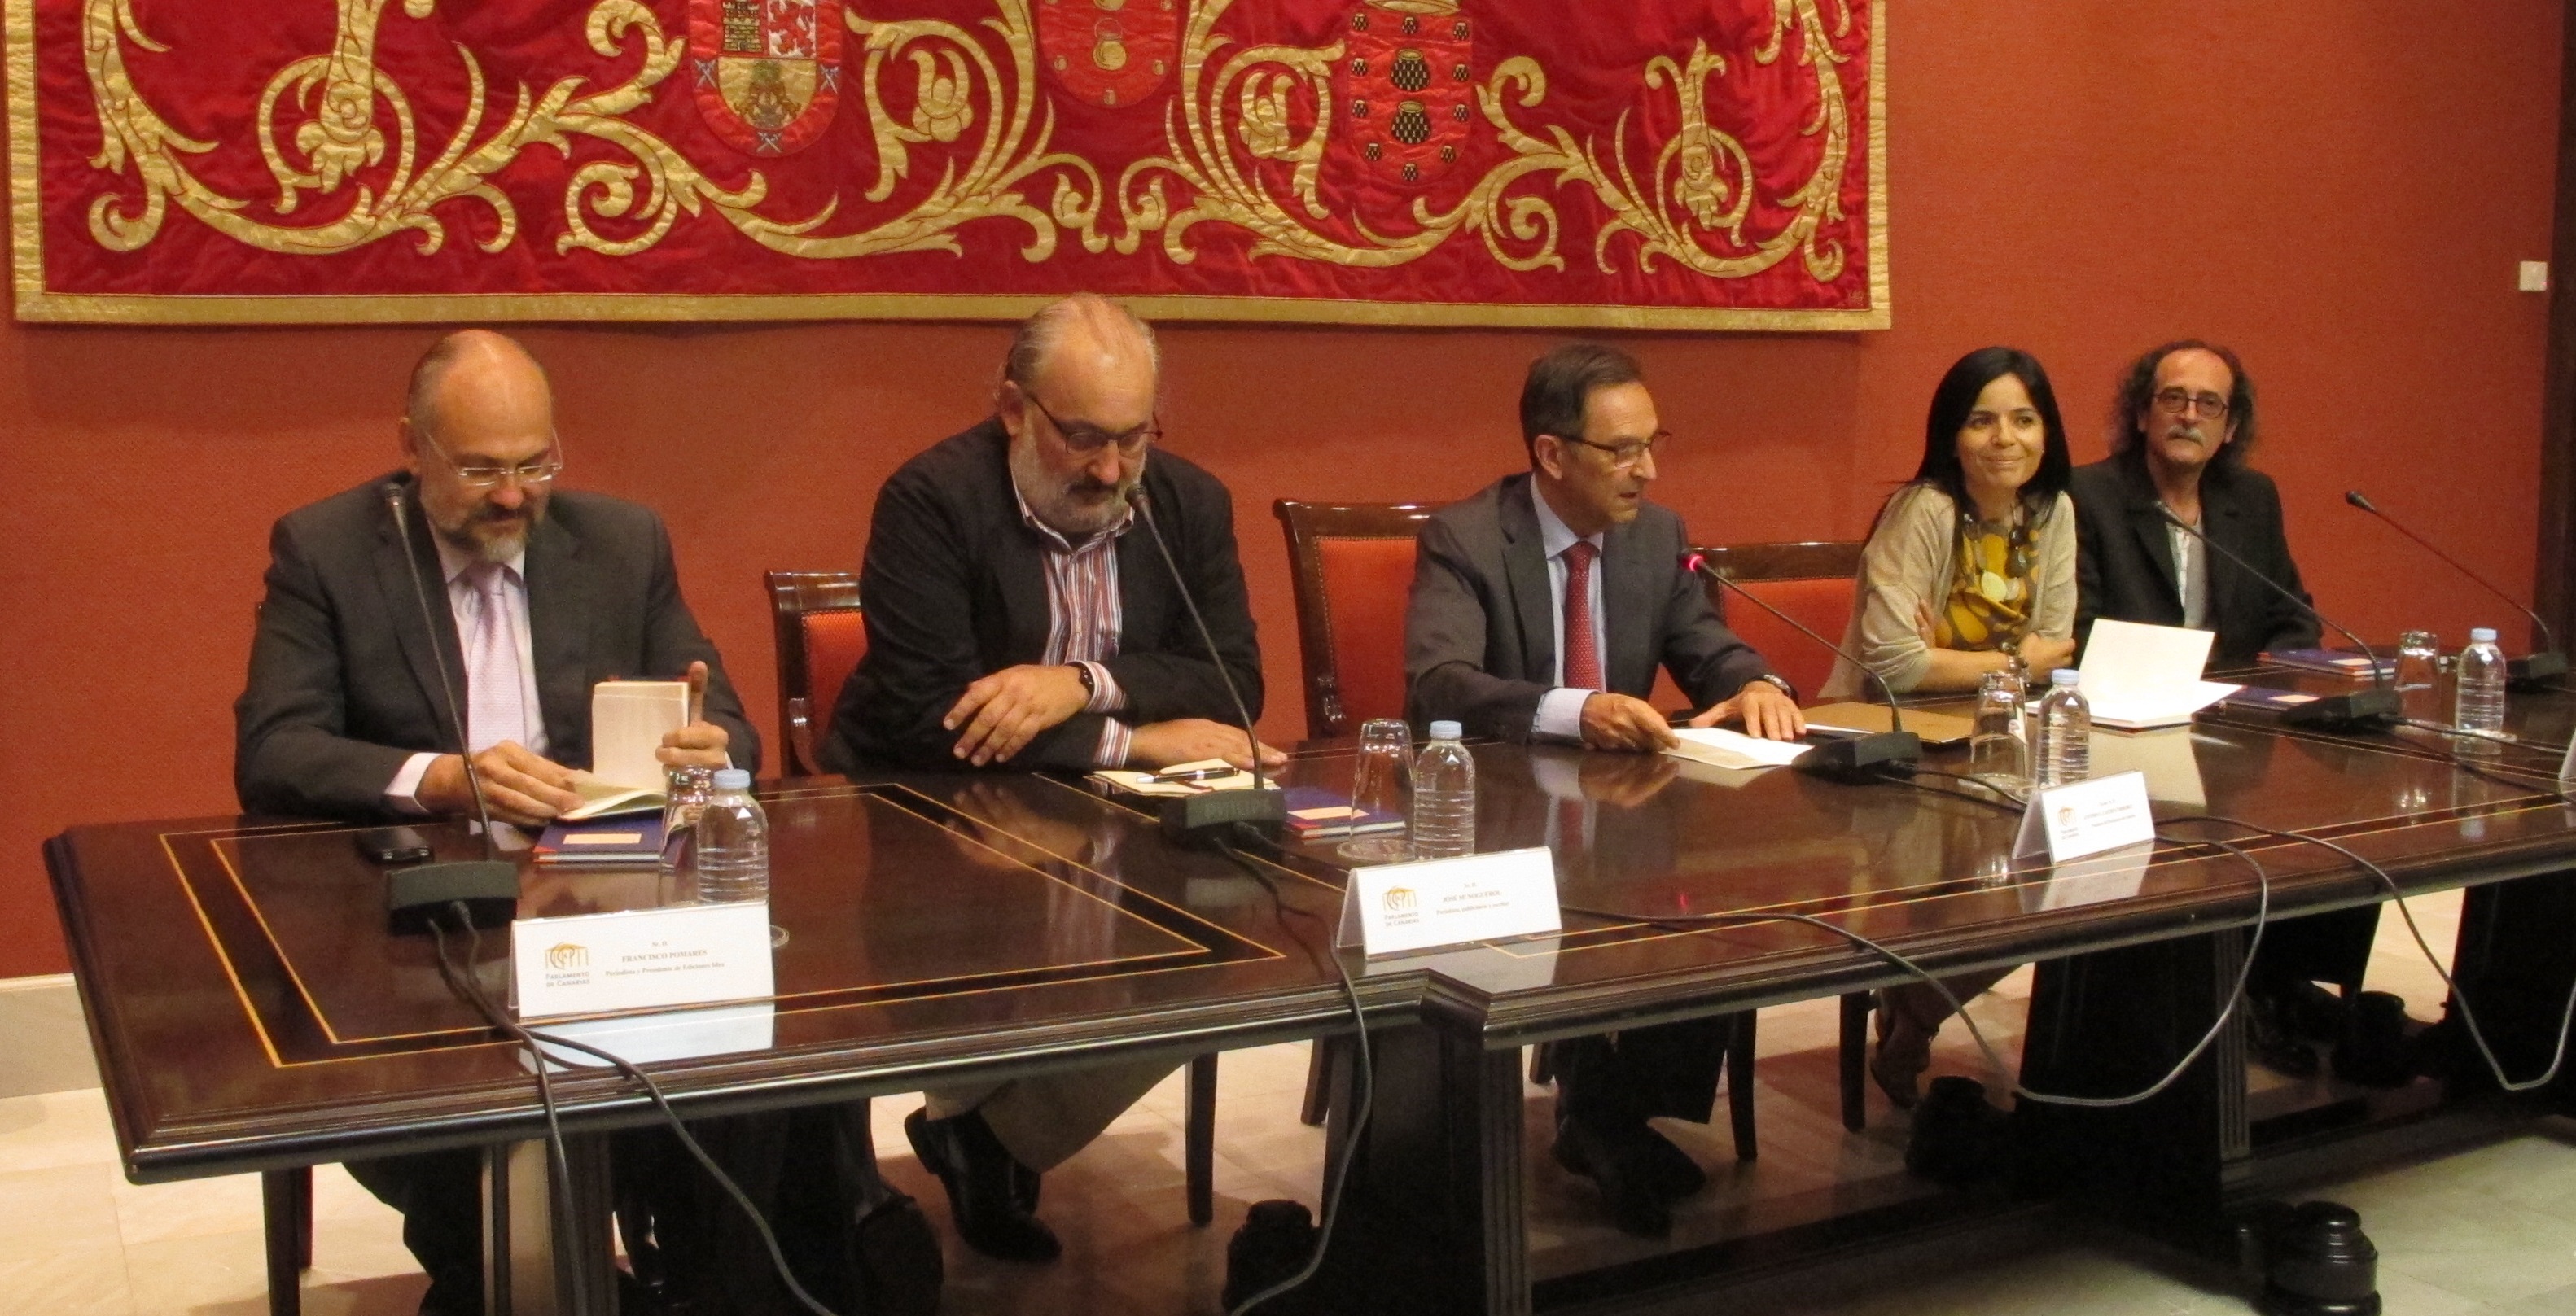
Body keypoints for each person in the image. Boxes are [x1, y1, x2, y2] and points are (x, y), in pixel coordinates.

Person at [231, 330, 760, 1314]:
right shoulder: (327, 548)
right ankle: (508, 1280)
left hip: (605, 896)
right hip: (426, 920)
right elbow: (275, 750)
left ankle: (715, 1275)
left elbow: (728, 720)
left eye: (534, 464)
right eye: (480, 470)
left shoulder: (623, 541)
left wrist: (708, 741)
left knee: (752, 1074)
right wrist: (444, 779)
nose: (513, 496)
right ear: (412, 446)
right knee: (474, 1121)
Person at [820, 294, 1281, 1263]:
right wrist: (1132, 741)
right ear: (1012, 409)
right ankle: (969, 1126)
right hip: (936, 807)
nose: (1109, 470)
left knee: (1224, 949)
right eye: (1082, 438)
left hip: (1107, 818)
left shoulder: (1187, 502)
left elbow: (1232, 680)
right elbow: (932, 714)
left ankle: (986, 1135)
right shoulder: (931, 499)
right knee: (996, 936)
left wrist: (1079, 684)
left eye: (1132, 438)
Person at [1404, 341, 1802, 1236]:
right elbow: (1439, 684)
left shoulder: (1654, 535)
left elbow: (1706, 646)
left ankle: (1609, 1110)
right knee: (1595, 888)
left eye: (1652, 444)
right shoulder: (1466, 536)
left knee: (1713, 905)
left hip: (1619, 816)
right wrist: (1572, 709)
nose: (1647, 470)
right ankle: (1594, 1119)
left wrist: (1755, 682)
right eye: (1622, 450)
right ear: (1551, 453)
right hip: (1494, 816)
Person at [2070, 341, 2377, 1080]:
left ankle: (2278, 983)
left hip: (2235, 730)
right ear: (2141, 413)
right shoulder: (2090, 496)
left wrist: (2277, 686)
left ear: (2231, 426)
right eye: (2173, 398)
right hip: (2128, 735)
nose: (2189, 415)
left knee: (2346, 808)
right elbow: (2076, 632)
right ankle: (2230, 1002)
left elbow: (2292, 617)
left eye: (2209, 404)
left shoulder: (2252, 499)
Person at [1822, 347, 2078, 1106]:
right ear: (1952, 435)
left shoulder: (2052, 511)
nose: (2005, 439)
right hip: (1892, 752)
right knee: (1999, 876)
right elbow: (1897, 665)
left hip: (1997, 743)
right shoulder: (1926, 510)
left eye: (2024, 420)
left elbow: (2059, 644)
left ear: (2047, 432)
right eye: (1982, 421)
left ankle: (1917, 1004)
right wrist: (2013, 660)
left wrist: (1969, 660)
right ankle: (1916, 1003)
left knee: (2068, 871)